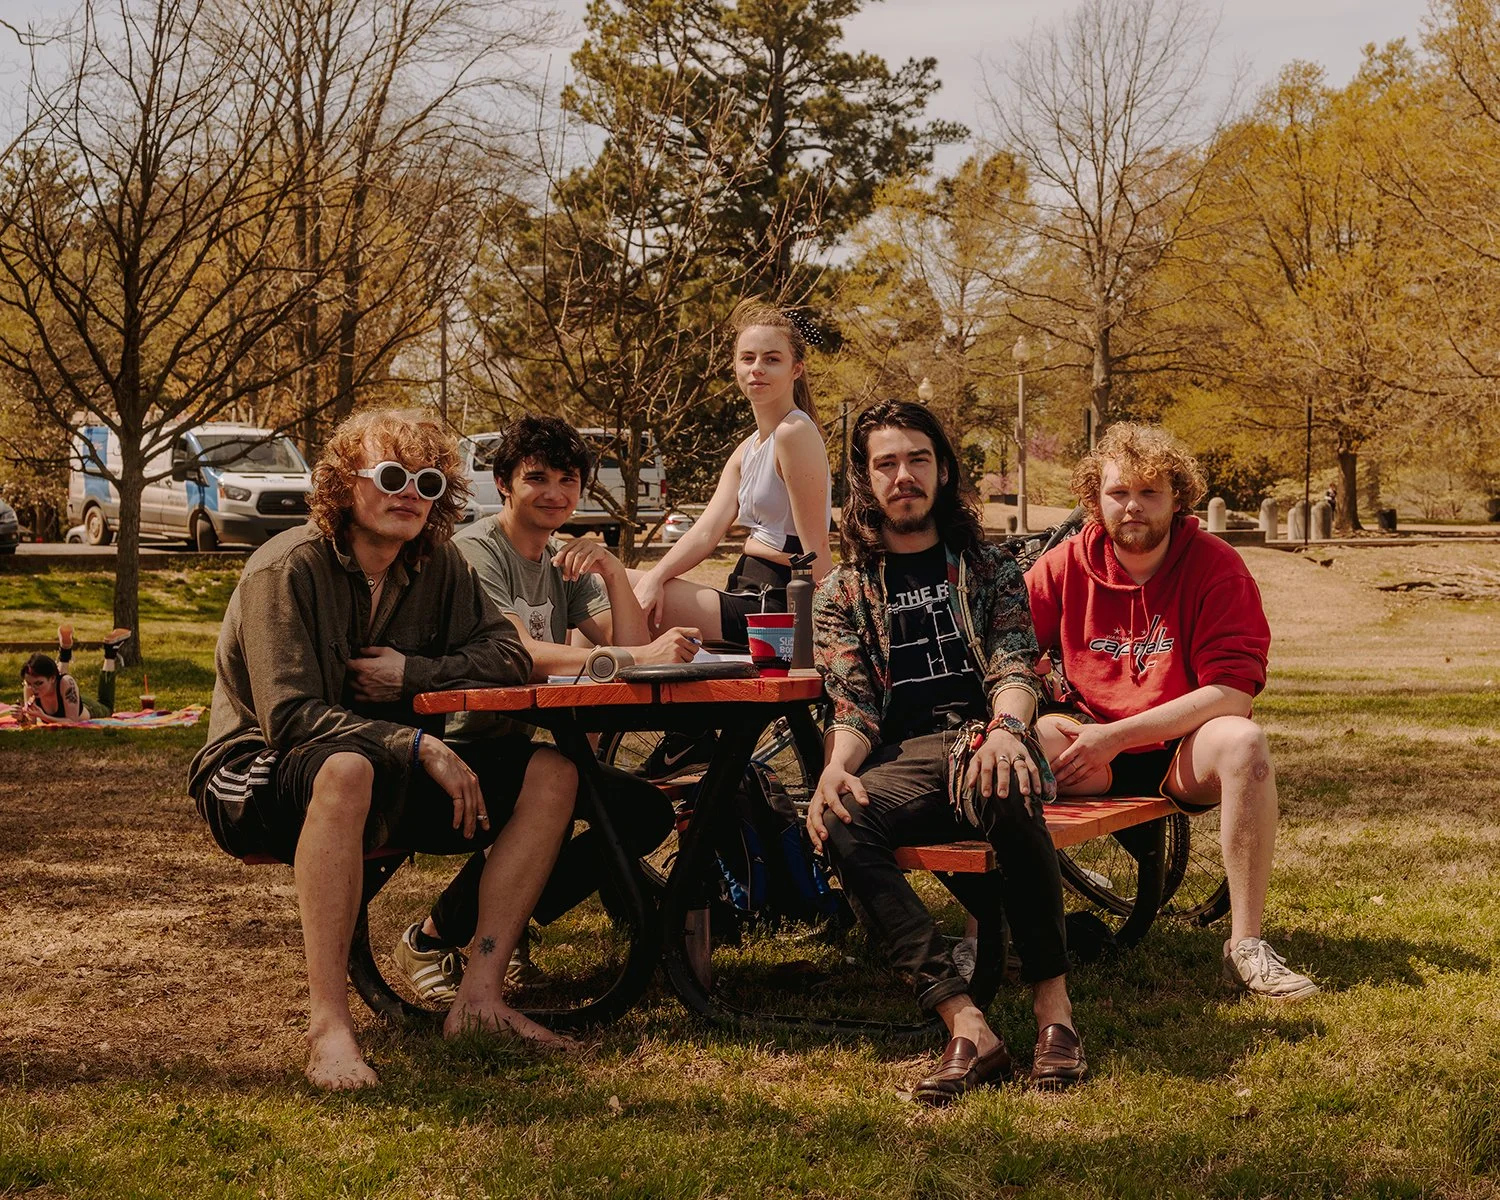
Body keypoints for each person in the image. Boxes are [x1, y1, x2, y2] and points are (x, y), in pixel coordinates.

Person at [188, 409, 580, 1091]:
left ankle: (481, 997)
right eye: (392, 476)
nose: (410, 494)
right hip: (256, 770)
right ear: (344, 484)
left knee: (552, 770)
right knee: (345, 769)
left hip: (388, 765)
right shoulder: (284, 569)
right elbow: (289, 717)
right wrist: (419, 744)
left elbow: (506, 654)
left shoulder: (437, 563)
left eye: (426, 482)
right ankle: (329, 1027)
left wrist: (414, 676)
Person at [808, 400, 1085, 1104]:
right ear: (866, 483)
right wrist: (838, 767)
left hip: (980, 736)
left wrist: (1007, 730)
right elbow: (853, 703)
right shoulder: (842, 591)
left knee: (1007, 778)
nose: (904, 476)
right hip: (901, 759)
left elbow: (1015, 665)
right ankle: (966, 1021)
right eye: (887, 464)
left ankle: (1054, 1011)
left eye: (918, 460)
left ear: (943, 470)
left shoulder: (988, 568)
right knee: (840, 816)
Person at [394, 416, 685, 1002]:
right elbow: (514, 654)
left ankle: (505, 922)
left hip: (525, 741)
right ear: (503, 483)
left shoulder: (561, 557)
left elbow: (625, 641)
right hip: (457, 738)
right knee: (580, 797)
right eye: (538, 478)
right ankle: (428, 939)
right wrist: (629, 656)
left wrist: (610, 572)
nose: (555, 493)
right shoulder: (475, 551)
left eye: (569, 479)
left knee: (642, 814)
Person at [1025, 422, 1318, 1001]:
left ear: (1177, 497)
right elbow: (1004, 651)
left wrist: (1120, 735)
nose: (1133, 507)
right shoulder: (1062, 565)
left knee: (1244, 742)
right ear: (1094, 499)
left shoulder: (1216, 565)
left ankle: (1247, 945)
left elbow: (1232, 693)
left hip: (1181, 750)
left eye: (1149, 492)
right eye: (1117, 493)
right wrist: (1038, 696)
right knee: (1016, 742)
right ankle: (998, 928)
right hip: (1089, 743)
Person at [629, 300, 833, 777]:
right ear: (734, 366)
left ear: (796, 368)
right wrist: (655, 577)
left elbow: (812, 552)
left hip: (779, 607)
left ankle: (688, 734)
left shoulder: (794, 432)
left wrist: (831, 630)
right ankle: (681, 732)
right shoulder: (748, 448)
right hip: (746, 592)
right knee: (621, 586)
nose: (757, 369)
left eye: (772, 358)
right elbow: (705, 530)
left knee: (610, 589)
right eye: (747, 358)